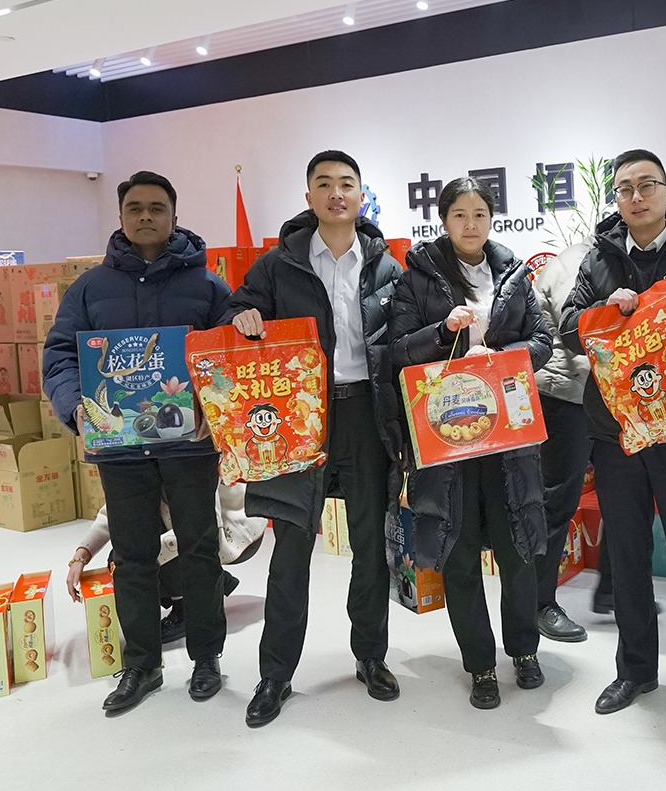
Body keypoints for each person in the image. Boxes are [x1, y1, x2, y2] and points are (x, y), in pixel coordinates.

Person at [42, 170, 233, 714]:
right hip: (121, 448)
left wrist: (214, 406)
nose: (146, 216)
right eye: (135, 208)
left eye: (156, 208)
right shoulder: (90, 289)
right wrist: (75, 408)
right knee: (131, 557)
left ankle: (206, 657)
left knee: (200, 549)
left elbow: (228, 356)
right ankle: (142, 664)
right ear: (121, 215)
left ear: (174, 215)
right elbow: (59, 356)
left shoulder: (208, 286)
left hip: (190, 445)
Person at [559, 149, 666, 727]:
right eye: (625, 189)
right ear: (616, 198)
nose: (636, 197)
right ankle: (635, 668)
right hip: (616, 433)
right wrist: (603, 311)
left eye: (647, 185)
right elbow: (568, 327)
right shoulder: (599, 258)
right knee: (628, 555)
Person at [229, 150, 404, 727]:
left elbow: (403, 338)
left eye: (346, 184)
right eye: (324, 184)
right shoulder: (278, 264)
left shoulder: (385, 266)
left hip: (364, 416)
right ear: (308, 197)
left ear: (361, 196)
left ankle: (371, 657)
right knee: (292, 548)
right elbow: (239, 308)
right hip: (298, 416)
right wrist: (244, 317)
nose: (336, 193)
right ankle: (275, 675)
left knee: (369, 546)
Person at [389, 176, 552, 710]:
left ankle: (524, 651)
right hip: (447, 436)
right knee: (458, 556)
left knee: (517, 547)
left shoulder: (514, 273)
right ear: (443, 220)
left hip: (507, 437)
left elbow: (544, 340)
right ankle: (480, 664)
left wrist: (501, 359)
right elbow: (398, 350)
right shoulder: (418, 278)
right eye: (459, 214)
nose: (470, 224)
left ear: (491, 218)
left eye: (479, 213)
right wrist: (443, 334)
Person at [66, 483, 266, 643]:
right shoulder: (142, 458)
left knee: (135, 557)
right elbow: (117, 510)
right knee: (126, 550)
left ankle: (184, 610)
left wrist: (142, 560)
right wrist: (82, 554)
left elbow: (202, 528)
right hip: (185, 525)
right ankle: (211, 580)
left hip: (233, 531)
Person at [532, 237, 593, 642]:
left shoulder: (601, 258)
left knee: (622, 497)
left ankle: (615, 591)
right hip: (564, 393)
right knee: (555, 503)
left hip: (593, 393)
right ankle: (539, 603)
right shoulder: (578, 262)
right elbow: (579, 332)